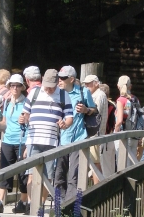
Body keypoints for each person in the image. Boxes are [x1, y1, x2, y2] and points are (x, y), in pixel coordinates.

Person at [19, 69, 73, 207]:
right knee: (31, 174)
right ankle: (31, 204)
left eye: (51, 87)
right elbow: (26, 113)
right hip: (33, 140)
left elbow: (69, 118)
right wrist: (23, 119)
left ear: (57, 82)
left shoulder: (64, 95)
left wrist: (64, 124)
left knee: (48, 176)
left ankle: (40, 205)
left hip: (51, 141)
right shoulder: (34, 92)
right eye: (46, 86)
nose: (48, 89)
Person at [0, 74, 29, 214]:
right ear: (9, 87)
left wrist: (26, 122)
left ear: (22, 87)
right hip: (7, 140)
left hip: (22, 141)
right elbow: (4, 123)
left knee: (23, 173)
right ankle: (0, 201)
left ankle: (23, 202)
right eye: (12, 85)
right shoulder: (7, 102)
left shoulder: (27, 103)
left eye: (18, 85)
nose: (15, 88)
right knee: (4, 171)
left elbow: (32, 123)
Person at [54, 66, 96, 201]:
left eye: (63, 78)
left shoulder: (83, 92)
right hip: (60, 139)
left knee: (74, 176)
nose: (59, 80)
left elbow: (94, 110)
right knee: (59, 175)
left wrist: (86, 110)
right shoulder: (57, 92)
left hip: (78, 138)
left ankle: (69, 206)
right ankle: (59, 205)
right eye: (59, 78)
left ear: (71, 79)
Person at [82, 74, 115, 181]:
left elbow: (95, 114)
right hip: (94, 134)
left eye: (88, 84)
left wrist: (85, 110)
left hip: (95, 134)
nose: (86, 86)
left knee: (95, 164)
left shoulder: (99, 95)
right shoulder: (97, 94)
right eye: (85, 84)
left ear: (96, 84)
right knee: (93, 163)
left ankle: (97, 188)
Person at [114, 75, 140, 166]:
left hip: (123, 134)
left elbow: (119, 120)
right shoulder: (135, 99)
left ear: (118, 86)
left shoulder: (121, 100)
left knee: (122, 164)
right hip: (134, 134)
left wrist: (115, 131)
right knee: (131, 164)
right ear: (130, 86)